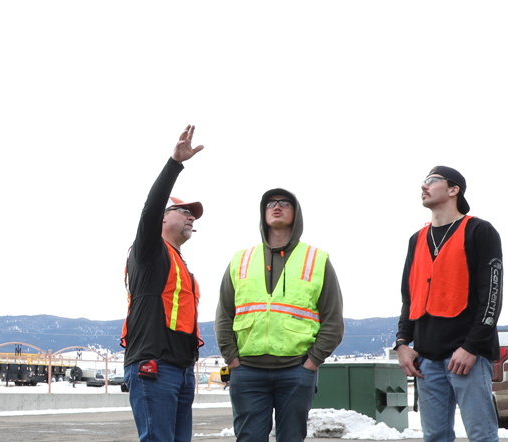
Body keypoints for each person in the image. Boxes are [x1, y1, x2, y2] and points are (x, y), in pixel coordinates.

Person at [215, 188, 344, 442]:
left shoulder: (316, 259)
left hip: (296, 370)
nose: (277, 206)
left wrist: (311, 363)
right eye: (270, 203)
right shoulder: (240, 259)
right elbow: (223, 316)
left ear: (296, 213)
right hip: (247, 372)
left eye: (284, 203)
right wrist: (233, 361)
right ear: (263, 214)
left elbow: (333, 320)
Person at [394, 165, 504, 442]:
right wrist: (403, 343)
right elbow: (410, 297)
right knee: (435, 436)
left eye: (431, 181)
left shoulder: (479, 231)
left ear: (454, 189)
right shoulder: (416, 239)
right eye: (423, 181)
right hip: (426, 359)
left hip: (467, 356)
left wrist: (471, 347)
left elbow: (491, 294)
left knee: (482, 435)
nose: (423, 186)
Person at [122, 125, 206, 442]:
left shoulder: (179, 261)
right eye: (182, 211)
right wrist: (174, 163)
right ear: (163, 218)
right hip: (154, 366)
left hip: (181, 371)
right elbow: (150, 209)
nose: (190, 217)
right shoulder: (149, 251)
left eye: (193, 216)